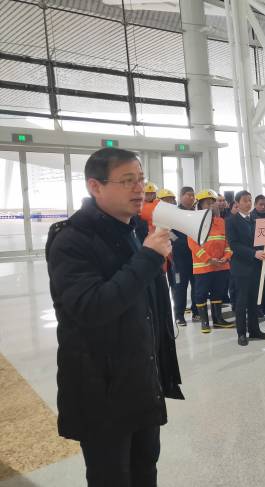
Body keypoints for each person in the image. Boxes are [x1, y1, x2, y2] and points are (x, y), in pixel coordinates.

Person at [45, 148, 183, 486]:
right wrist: (149, 257)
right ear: (95, 186)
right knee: (111, 476)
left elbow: (147, 308)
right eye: (127, 181)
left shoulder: (133, 231)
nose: (139, 189)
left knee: (145, 470)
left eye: (141, 179)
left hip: (141, 382)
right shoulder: (71, 240)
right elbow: (91, 307)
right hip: (100, 392)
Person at [225, 190, 265, 346]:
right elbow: (234, 245)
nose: (248, 203)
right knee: (241, 301)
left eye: (250, 200)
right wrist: (254, 253)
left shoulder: (255, 220)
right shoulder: (231, 221)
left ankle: (254, 330)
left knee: (254, 300)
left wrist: (264, 252)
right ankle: (241, 333)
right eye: (245, 200)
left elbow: (260, 241)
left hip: (256, 266)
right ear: (237, 203)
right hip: (241, 267)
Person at [189, 189, 233, 333]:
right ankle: (204, 322)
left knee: (218, 293)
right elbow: (193, 245)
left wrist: (226, 257)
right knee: (201, 294)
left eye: (213, 203)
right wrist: (208, 259)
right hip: (203, 266)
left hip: (221, 265)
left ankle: (218, 320)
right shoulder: (193, 222)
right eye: (208, 203)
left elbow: (227, 242)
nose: (211, 206)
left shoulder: (221, 222)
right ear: (200, 205)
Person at [170, 186, 200, 326]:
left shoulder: (196, 214)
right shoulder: (174, 213)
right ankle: (179, 315)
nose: (191, 198)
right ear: (181, 196)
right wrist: (181, 242)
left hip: (195, 256)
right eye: (188, 195)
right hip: (179, 257)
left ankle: (196, 312)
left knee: (196, 285)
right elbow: (169, 232)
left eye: (193, 195)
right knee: (180, 287)